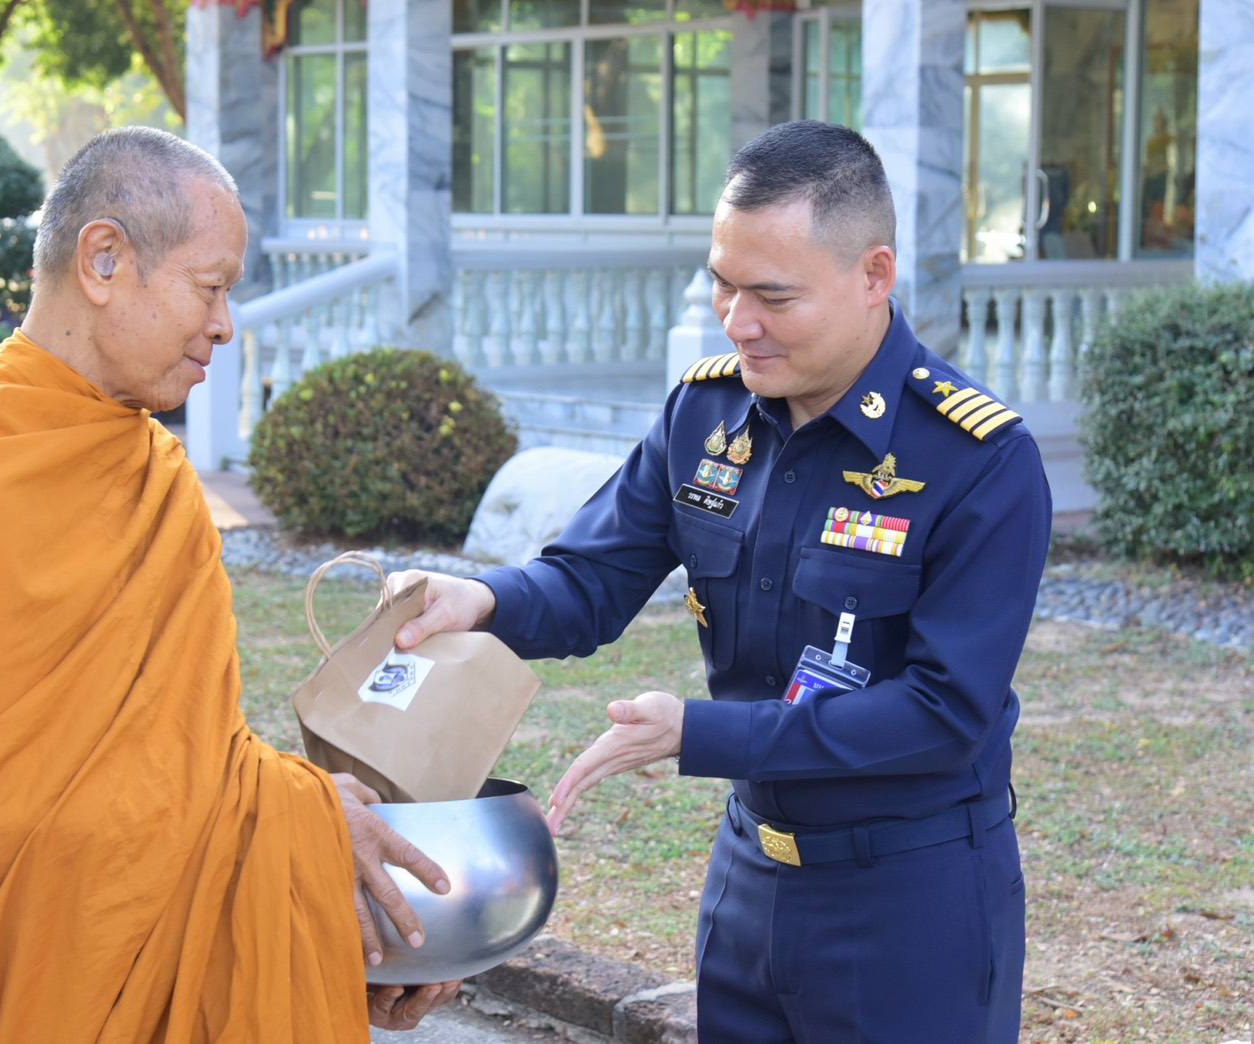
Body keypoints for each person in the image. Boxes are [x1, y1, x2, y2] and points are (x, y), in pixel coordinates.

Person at [390, 121, 1051, 1042]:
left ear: (874, 275)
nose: (737, 321)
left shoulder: (976, 460)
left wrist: (698, 732)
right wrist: (485, 600)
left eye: (773, 296)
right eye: (723, 284)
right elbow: (591, 579)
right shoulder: (706, 413)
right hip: (750, 885)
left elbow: (945, 714)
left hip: (910, 903)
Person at [0, 127, 459, 1042]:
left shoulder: (158, 474)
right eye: (211, 286)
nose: (225, 324)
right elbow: (14, 820)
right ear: (103, 259)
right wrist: (310, 822)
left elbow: (181, 751)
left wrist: (322, 889)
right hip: (36, 972)